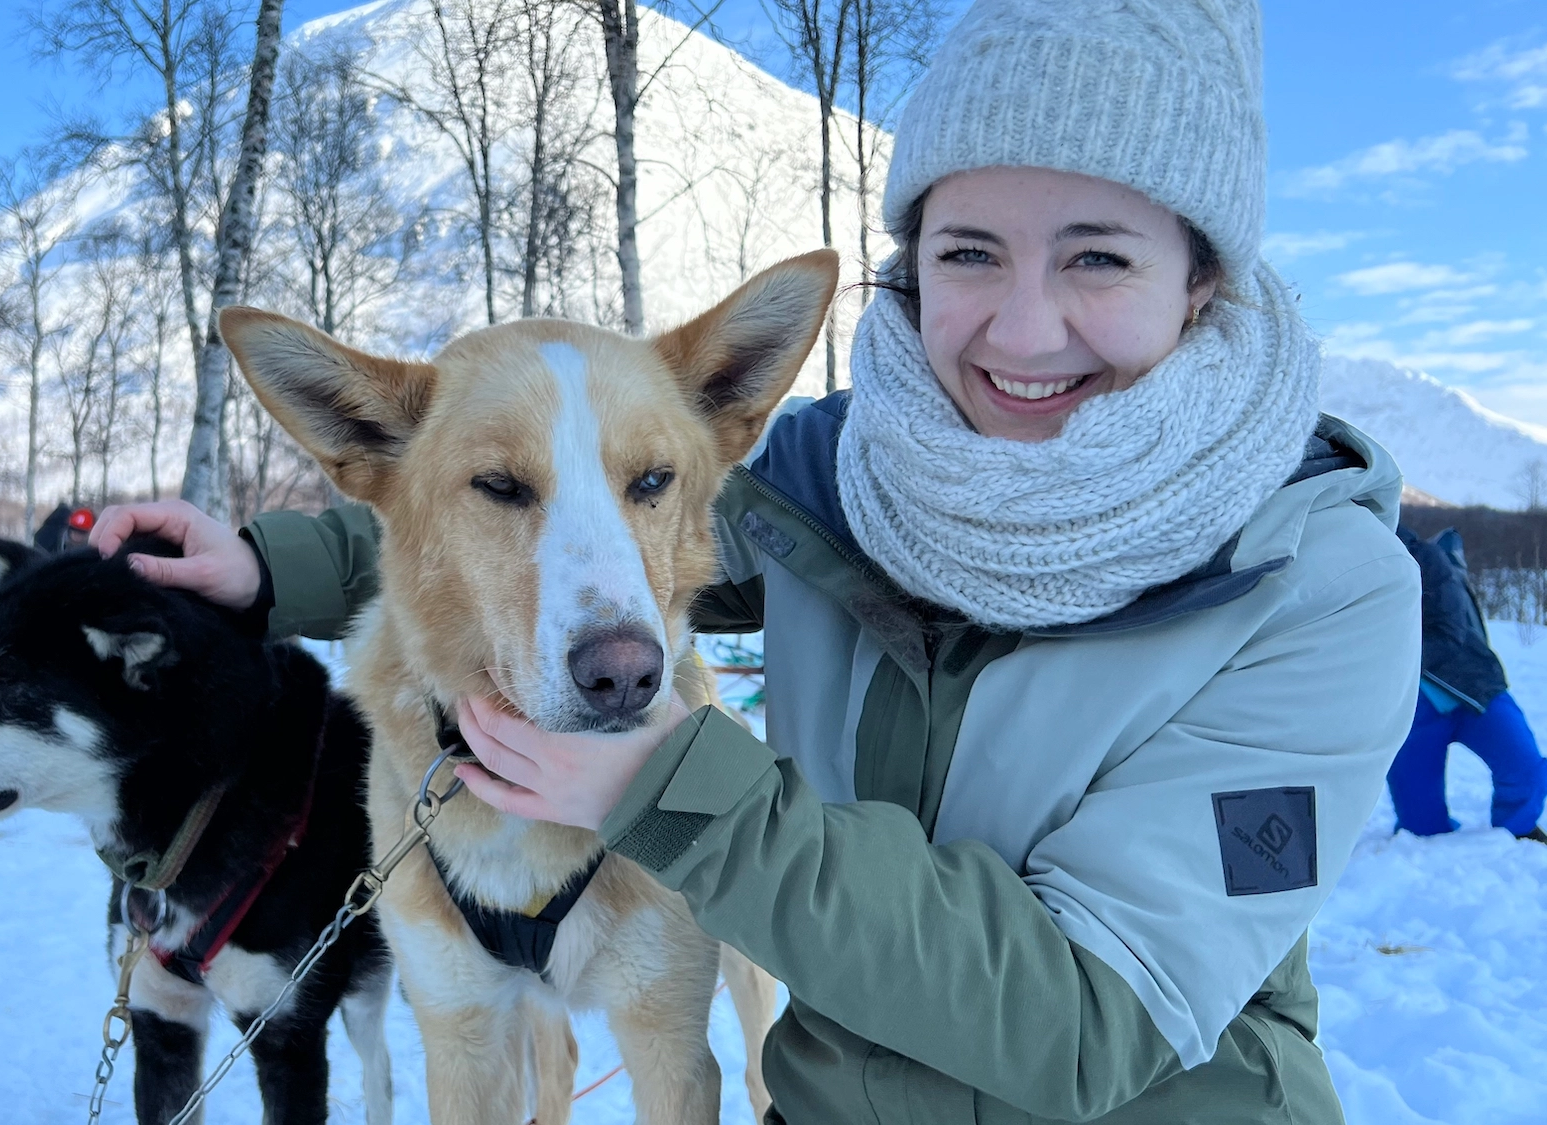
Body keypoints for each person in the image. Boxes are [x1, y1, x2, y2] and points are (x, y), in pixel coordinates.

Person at [94, 0, 1422, 1118]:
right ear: (918, 265)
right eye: (970, 251)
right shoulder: (845, 479)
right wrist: (267, 570)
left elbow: (1089, 1021)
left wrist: (686, 796)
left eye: (1099, 255)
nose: (1026, 328)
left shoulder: (1315, 589)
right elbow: (541, 522)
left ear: (1200, 277)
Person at [1389, 526, 1547, 842]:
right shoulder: (1338, 564)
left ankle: (1518, 830)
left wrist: (1383, 660)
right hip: (1413, 705)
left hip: (1474, 685)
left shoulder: (1424, 558)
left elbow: (1449, 631)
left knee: (1524, 768)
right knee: (1419, 827)